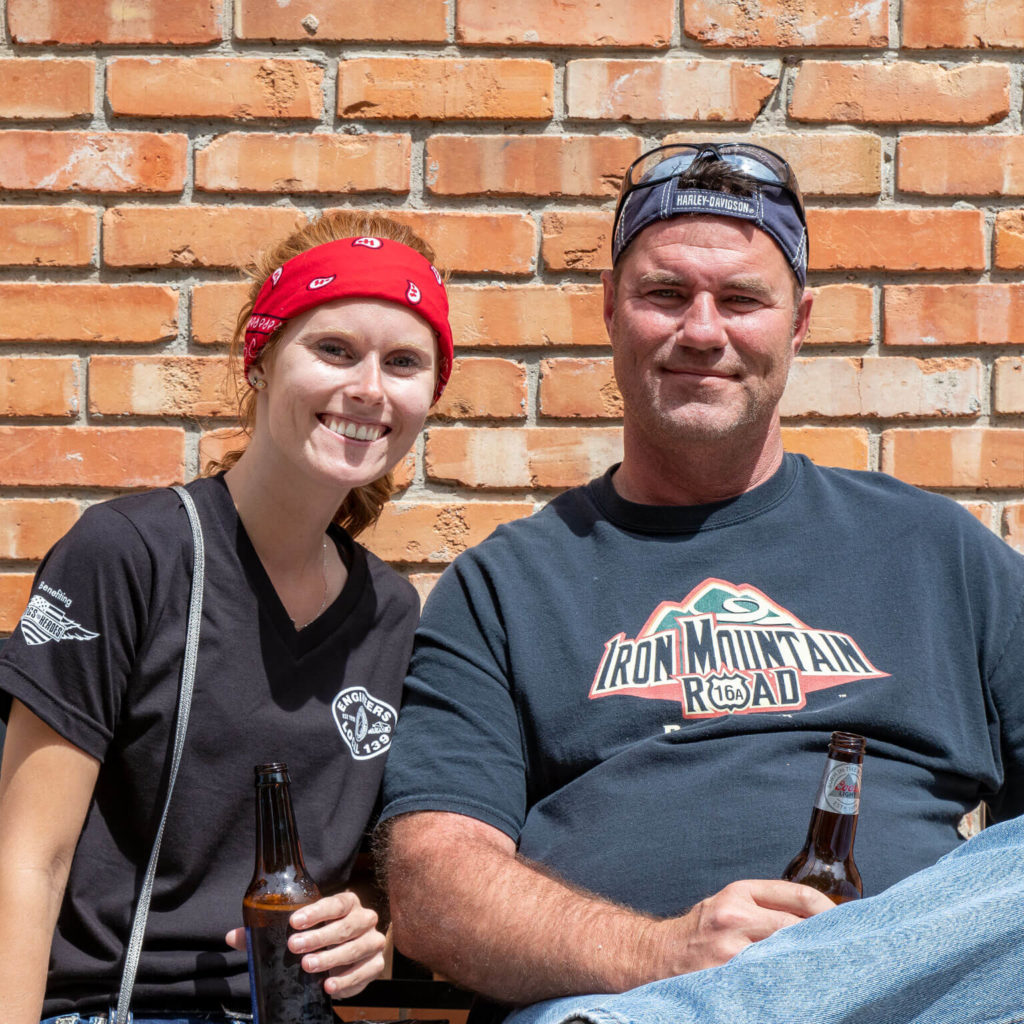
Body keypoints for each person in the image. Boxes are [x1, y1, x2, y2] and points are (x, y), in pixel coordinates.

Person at [375, 142, 1024, 1019]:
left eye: (743, 300)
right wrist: (664, 952)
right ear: (611, 310)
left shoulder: (937, 551)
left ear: (798, 323)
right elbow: (433, 887)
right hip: (629, 1006)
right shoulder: (507, 584)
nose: (705, 331)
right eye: (666, 294)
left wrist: (839, 964)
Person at [0, 210, 455, 1024]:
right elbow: (29, 858)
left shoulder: (392, 613)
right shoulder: (129, 553)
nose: (369, 388)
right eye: (334, 349)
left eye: (403, 362)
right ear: (260, 359)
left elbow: (360, 880)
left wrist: (369, 934)